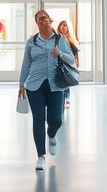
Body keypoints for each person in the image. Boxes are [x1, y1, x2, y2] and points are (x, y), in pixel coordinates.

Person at [18, 10, 75, 171]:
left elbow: (71, 59)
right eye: (38, 19)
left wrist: (60, 53)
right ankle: (41, 156)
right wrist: (21, 84)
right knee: (38, 119)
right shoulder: (32, 42)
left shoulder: (59, 39)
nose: (41, 21)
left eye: (43, 18)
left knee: (56, 120)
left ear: (50, 20)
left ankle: (52, 135)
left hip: (55, 85)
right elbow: (26, 64)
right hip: (34, 85)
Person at [55, 20, 79, 107]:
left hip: (67, 62)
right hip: (60, 62)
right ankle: (65, 99)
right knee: (63, 81)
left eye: (65, 25)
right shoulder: (57, 38)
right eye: (61, 25)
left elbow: (73, 54)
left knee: (65, 81)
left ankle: (67, 99)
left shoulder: (69, 39)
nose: (63, 27)